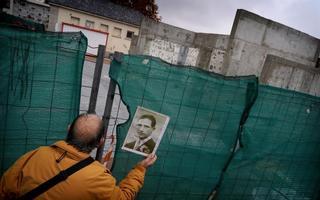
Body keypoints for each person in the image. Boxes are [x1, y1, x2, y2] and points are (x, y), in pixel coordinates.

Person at [0, 113, 157, 200]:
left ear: (69, 129)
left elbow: (4, 189)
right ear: (101, 142)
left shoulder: (36, 154)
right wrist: (140, 169)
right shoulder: (99, 178)